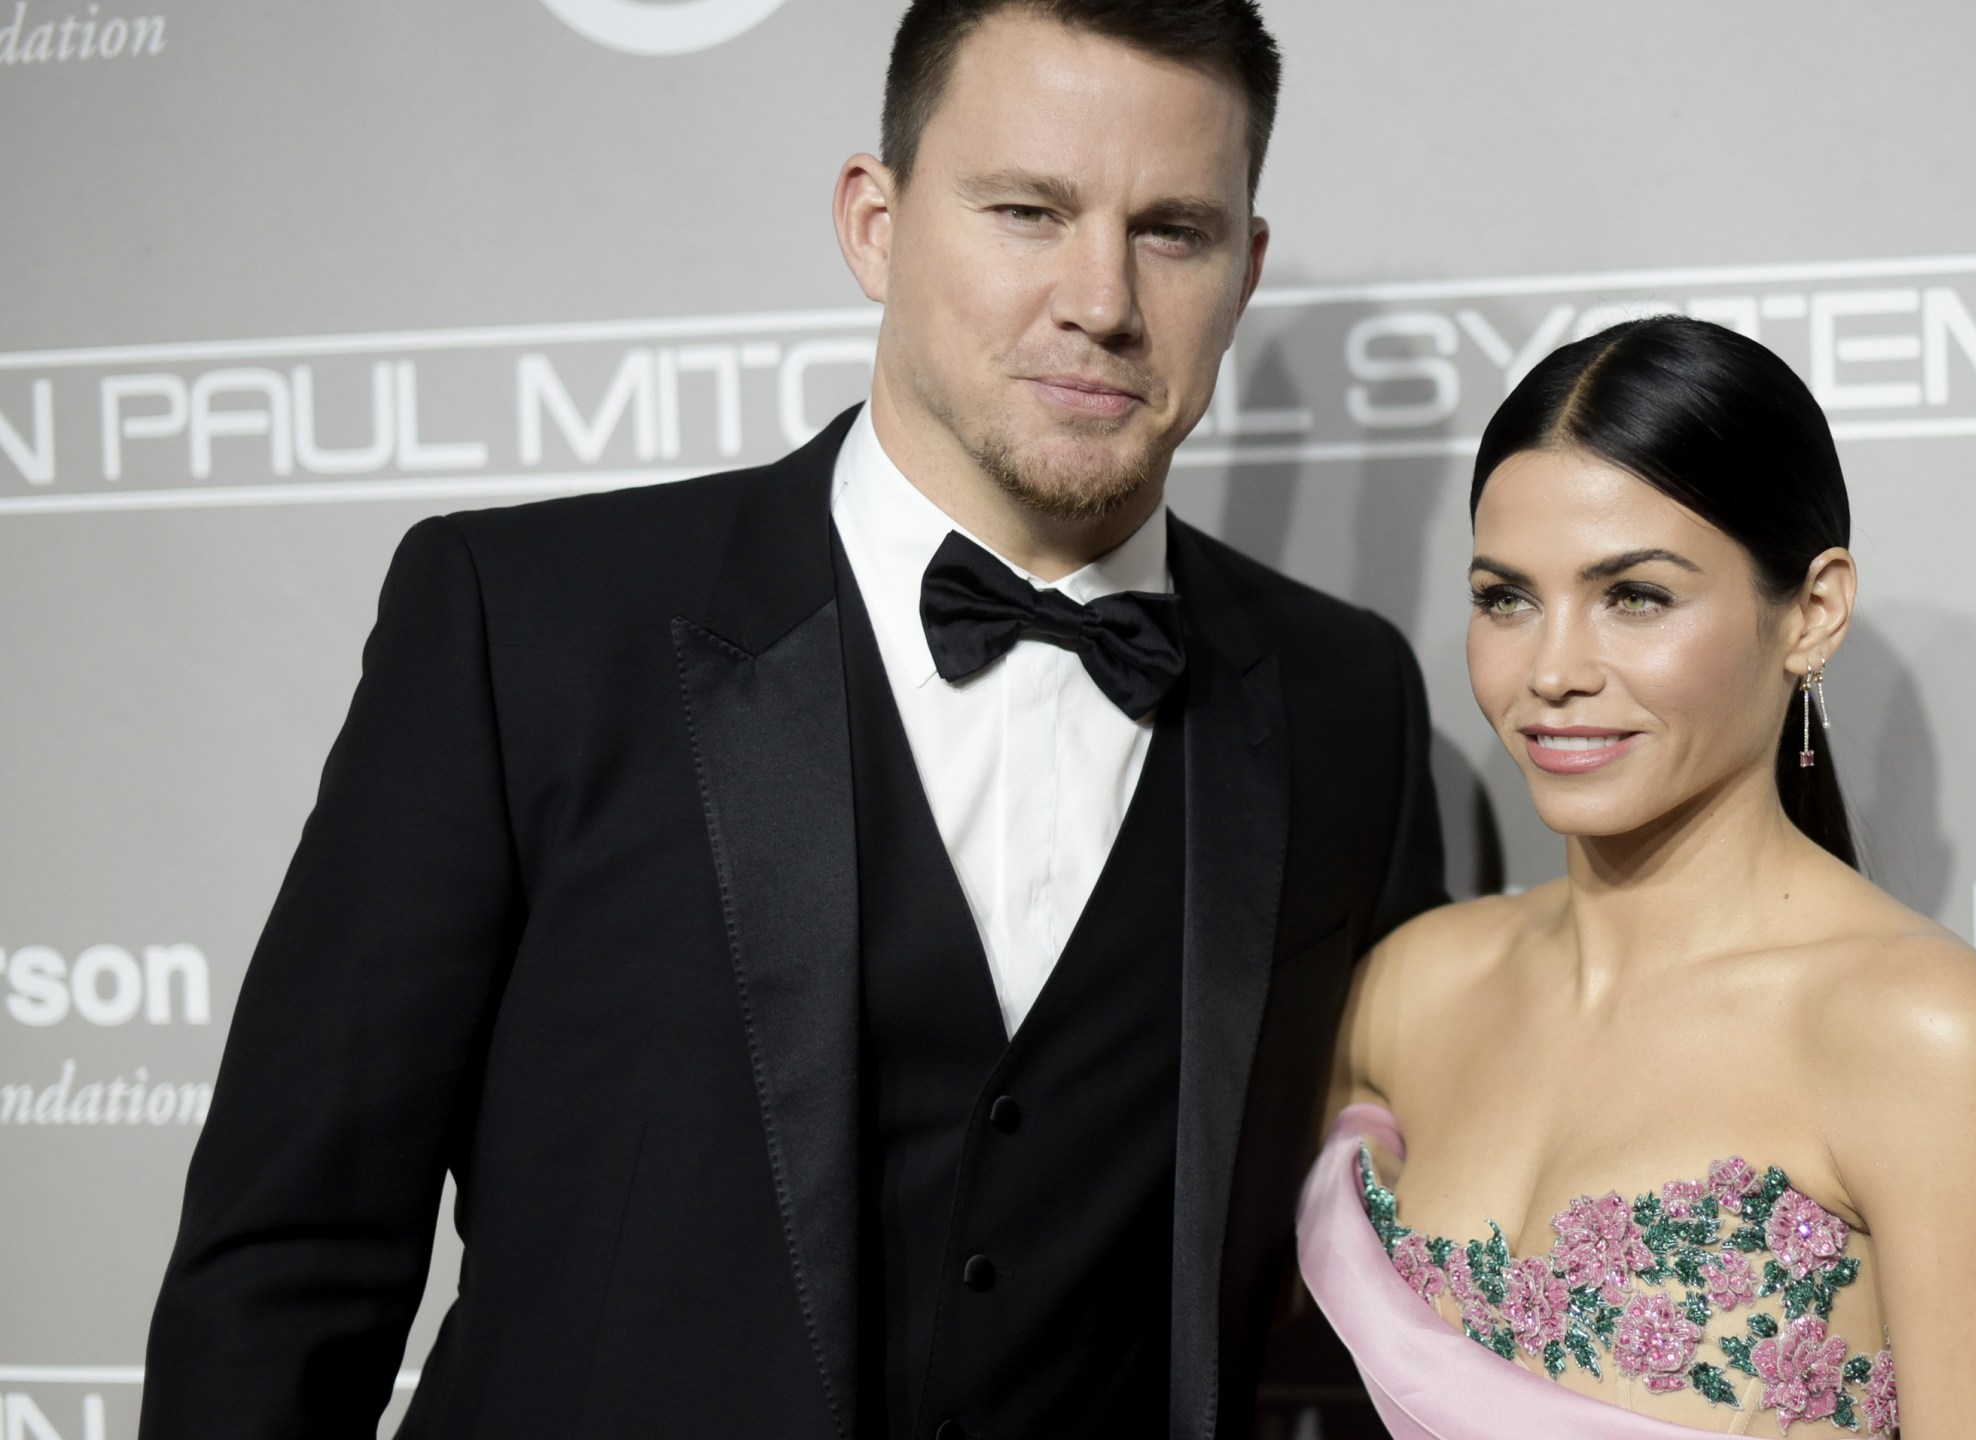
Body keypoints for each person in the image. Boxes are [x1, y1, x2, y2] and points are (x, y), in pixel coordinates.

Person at [140, 2, 1446, 1437]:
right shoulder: (527, 623)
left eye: (1173, 231)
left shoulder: (1344, 701)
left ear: (1244, 267)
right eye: (1027, 210)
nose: (1102, 300)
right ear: (874, 224)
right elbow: (290, 1258)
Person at [1298, 316, 1976, 1438]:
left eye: (1636, 596)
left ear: (1812, 612)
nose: (1554, 670)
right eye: (1505, 597)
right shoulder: (1414, 987)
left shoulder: (1918, 1031)